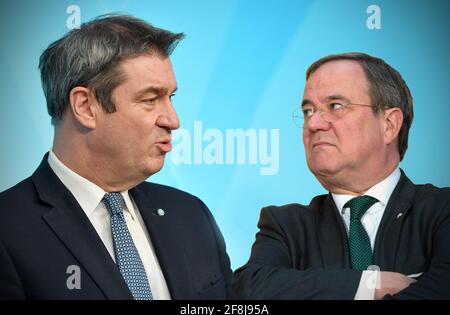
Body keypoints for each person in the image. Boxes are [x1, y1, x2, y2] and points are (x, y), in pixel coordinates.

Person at [0, 14, 232, 300]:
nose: (173, 120)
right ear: (85, 106)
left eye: (171, 97)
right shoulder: (8, 230)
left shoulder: (191, 215)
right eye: (150, 99)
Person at [232, 52, 450, 299]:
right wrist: (370, 285)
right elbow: (249, 291)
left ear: (389, 124)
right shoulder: (286, 225)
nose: (313, 124)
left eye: (335, 106)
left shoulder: (441, 210)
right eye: (307, 111)